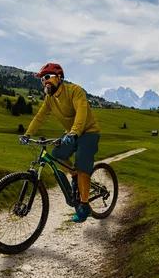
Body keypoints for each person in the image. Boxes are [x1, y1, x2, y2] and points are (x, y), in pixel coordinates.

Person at [19, 63, 100, 223]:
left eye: (48, 77)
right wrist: (27, 134)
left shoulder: (75, 91)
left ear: (59, 78)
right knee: (57, 154)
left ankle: (84, 206)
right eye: (42, 79)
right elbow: (40, 117)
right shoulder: (49, 98)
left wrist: (74, 132)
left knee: (83, 166)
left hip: (88, 131)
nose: (44, 81)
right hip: (71, 132)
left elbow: (81, 113)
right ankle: (74, 175)